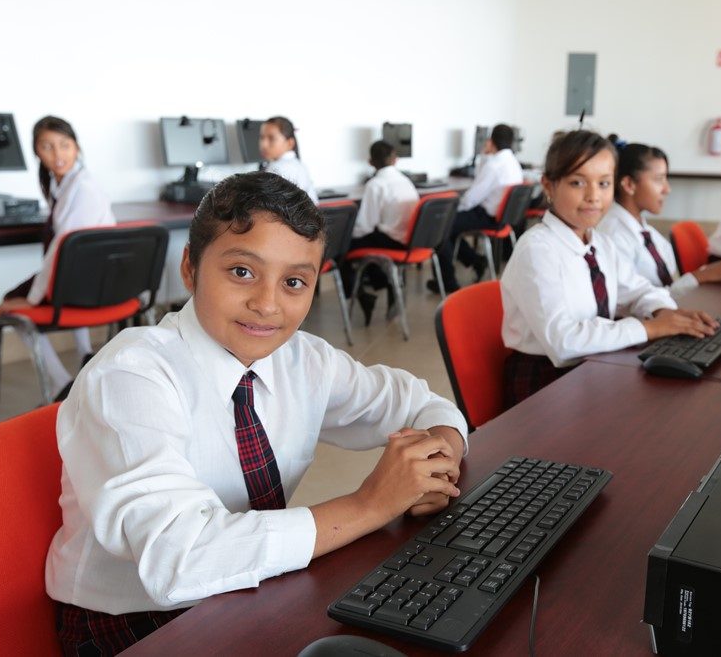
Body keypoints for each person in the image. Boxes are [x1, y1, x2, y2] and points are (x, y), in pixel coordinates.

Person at [45, 171, 467, 655]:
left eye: (293, 282)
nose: (267, 305)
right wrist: (371, 504)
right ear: (190, 268)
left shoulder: (301, 359)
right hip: (133, 621)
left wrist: (439, 460)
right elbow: (177, 558)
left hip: (246, 587)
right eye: (242, 272)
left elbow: (423, 403)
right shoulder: (130, 375)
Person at [499, 130, 718, 407]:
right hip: (545, 383)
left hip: (594, 364)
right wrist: (649, 328)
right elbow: (564, 342)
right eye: (577, 183)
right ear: (549, 186)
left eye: (604, 183)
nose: (593, 196)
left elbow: (638, 289)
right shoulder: (537, 250)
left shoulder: (600, 243)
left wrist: (664, 312)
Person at [0, 116, 115, 398]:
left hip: (81, 282)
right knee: (30, 292)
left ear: (76, 147)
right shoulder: (64, 184)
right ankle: (85, 355)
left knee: (10, 307)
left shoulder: (82, 188)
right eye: (47, 146)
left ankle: (62, 384)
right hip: (87, 278)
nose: (57, 154)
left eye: (64, 145)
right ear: (36, 151)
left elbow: (62, 248)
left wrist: (33, 298)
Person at [598, 143, 721, 297]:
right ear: (629, 185)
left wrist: (711, 272)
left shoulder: (646, 231)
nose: (667, 189)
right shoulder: (613, 236)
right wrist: (702, 276)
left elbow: (662, 291)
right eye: (659, 179)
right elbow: (636, 303)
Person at [429, 123, 523, 294]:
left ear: (491, 141)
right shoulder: (513, 162)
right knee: (451, 226)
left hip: (487, 217)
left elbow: (472, 197)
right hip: (504, 219)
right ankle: (475, 261)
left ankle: (448, 281)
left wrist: (454, 209)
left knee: (442, 225)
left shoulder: (494, 165)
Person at [340, 140, 419, 323]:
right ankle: (383, 283)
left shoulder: (376, 184)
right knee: (360, 243)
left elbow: (365, 225)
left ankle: (363, 295)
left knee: (340, 248)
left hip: (391, 241)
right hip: (410, 240)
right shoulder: (405, 181)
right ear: (395, 160)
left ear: (370, 162)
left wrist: (346, 236)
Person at [260, 116, 319, 203]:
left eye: (271, 138)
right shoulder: (298, 165)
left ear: (289, 143)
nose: (263, 144)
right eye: (262, 138)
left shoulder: (277, 168)